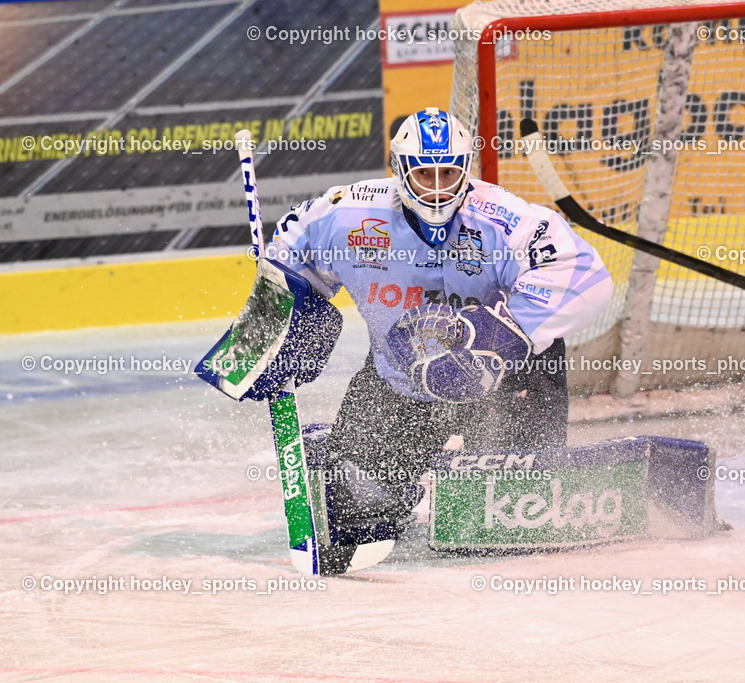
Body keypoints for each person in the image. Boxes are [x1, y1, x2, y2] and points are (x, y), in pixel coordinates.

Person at [213, 107, 612, 564]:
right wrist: (268, 332)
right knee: (358, 513)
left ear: (466, 170)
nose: (438, 188)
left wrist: (493, 337)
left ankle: (501, 469)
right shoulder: (346, 214)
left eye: (449, 173)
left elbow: (585, 275)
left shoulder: (504, 218)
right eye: (425, 173)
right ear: (399, 170)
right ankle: (338, 447)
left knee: (507, 524)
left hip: (508, 381)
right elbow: (289, 258)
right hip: (399, 380)